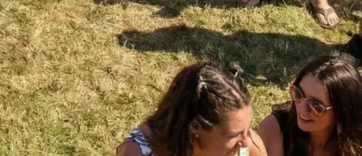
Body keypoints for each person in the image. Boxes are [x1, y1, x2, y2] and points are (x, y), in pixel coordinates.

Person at [118, 61, 264, 156]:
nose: (246, 142)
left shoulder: (243, 149)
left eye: (248, 129)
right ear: (195, 126)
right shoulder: (137, 152)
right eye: (234, 135)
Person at [258, 52, 362, 156]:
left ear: (342, 111)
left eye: (316, 105)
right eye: (298, 93)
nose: (302, 109)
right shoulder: (274, 130)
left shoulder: (358, 144)